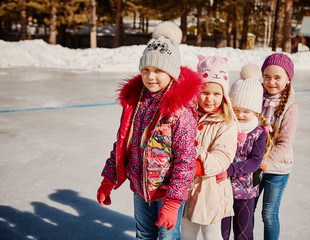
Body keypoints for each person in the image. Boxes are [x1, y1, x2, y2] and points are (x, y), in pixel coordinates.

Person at [96, 21, 203, 240]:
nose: (150, 76)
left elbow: (185, 160)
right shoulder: (136, 103)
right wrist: (109, 179)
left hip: (167, 192)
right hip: (140, 189)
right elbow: (123, 144)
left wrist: (173, 203)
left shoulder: (180, 111)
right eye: (146, 69)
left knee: (167, 237)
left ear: (172, 72)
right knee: (144, 235)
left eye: (158, 70)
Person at [181, 55, 238, 240]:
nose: (210, 99)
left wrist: (195, 166)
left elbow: (222, 156)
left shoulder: (226, 123)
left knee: (211, 234)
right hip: (184, 187)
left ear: (224, 95)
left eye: (216, 94)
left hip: (210, 189)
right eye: (204, 92)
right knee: (186, 232)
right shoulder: (188, 114)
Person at [216, 63, 273, 240]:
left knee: (243, 233)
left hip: (246, 192)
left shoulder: (258, 132)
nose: (240, 115)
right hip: (223, 190)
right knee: (221, 232)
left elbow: (255, 160)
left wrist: (231, 169)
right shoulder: (226, 126)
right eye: (237, 110)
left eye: (246, 111)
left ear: (255, 111)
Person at [254, 53, 299, 240]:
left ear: (288, 79)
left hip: (277, 170)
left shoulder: (290, 107)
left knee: (269, 214)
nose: (271, 82)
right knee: (246, 210)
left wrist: (264, 164)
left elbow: (284, 143)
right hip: (253, 166)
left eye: (277, 77)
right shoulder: (255, 97)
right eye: (267, 76)